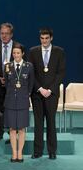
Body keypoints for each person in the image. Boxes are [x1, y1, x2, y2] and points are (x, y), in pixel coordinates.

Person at [28, 28, 65, 160]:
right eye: (42, 38)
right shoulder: (33, 51)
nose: (44, 41)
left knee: (51, 122)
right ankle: (37, 151)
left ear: (51, 38)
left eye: (47, 38)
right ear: (40, 39)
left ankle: (52, 151)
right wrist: (40, 89)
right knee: (38, 123)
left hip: (52, 94)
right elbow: (31, 73)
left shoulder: (59, 52)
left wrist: (50, 90)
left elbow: (61, 73)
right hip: (37, 93)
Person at [0, 22, 24, 141]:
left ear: (11, 34)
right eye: (2, 33)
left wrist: (10, 80)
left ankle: (12, 133)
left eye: (7, 34)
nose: (4, 36)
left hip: (13, 85)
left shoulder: (18, 47)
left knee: (11, 110)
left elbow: (22, 67)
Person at [4, 44, 34, 163]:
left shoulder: (29, 66)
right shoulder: (7, 66)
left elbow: (31, 84)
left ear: (22, 53)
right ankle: (14, 153)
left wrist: (25, 95)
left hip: (23, 101)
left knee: (21, 128)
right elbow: (6, 84)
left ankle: (20, 153)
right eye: (14, 53)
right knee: (12, 128)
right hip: (10, 100)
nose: (16, 55)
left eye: (18, 53)